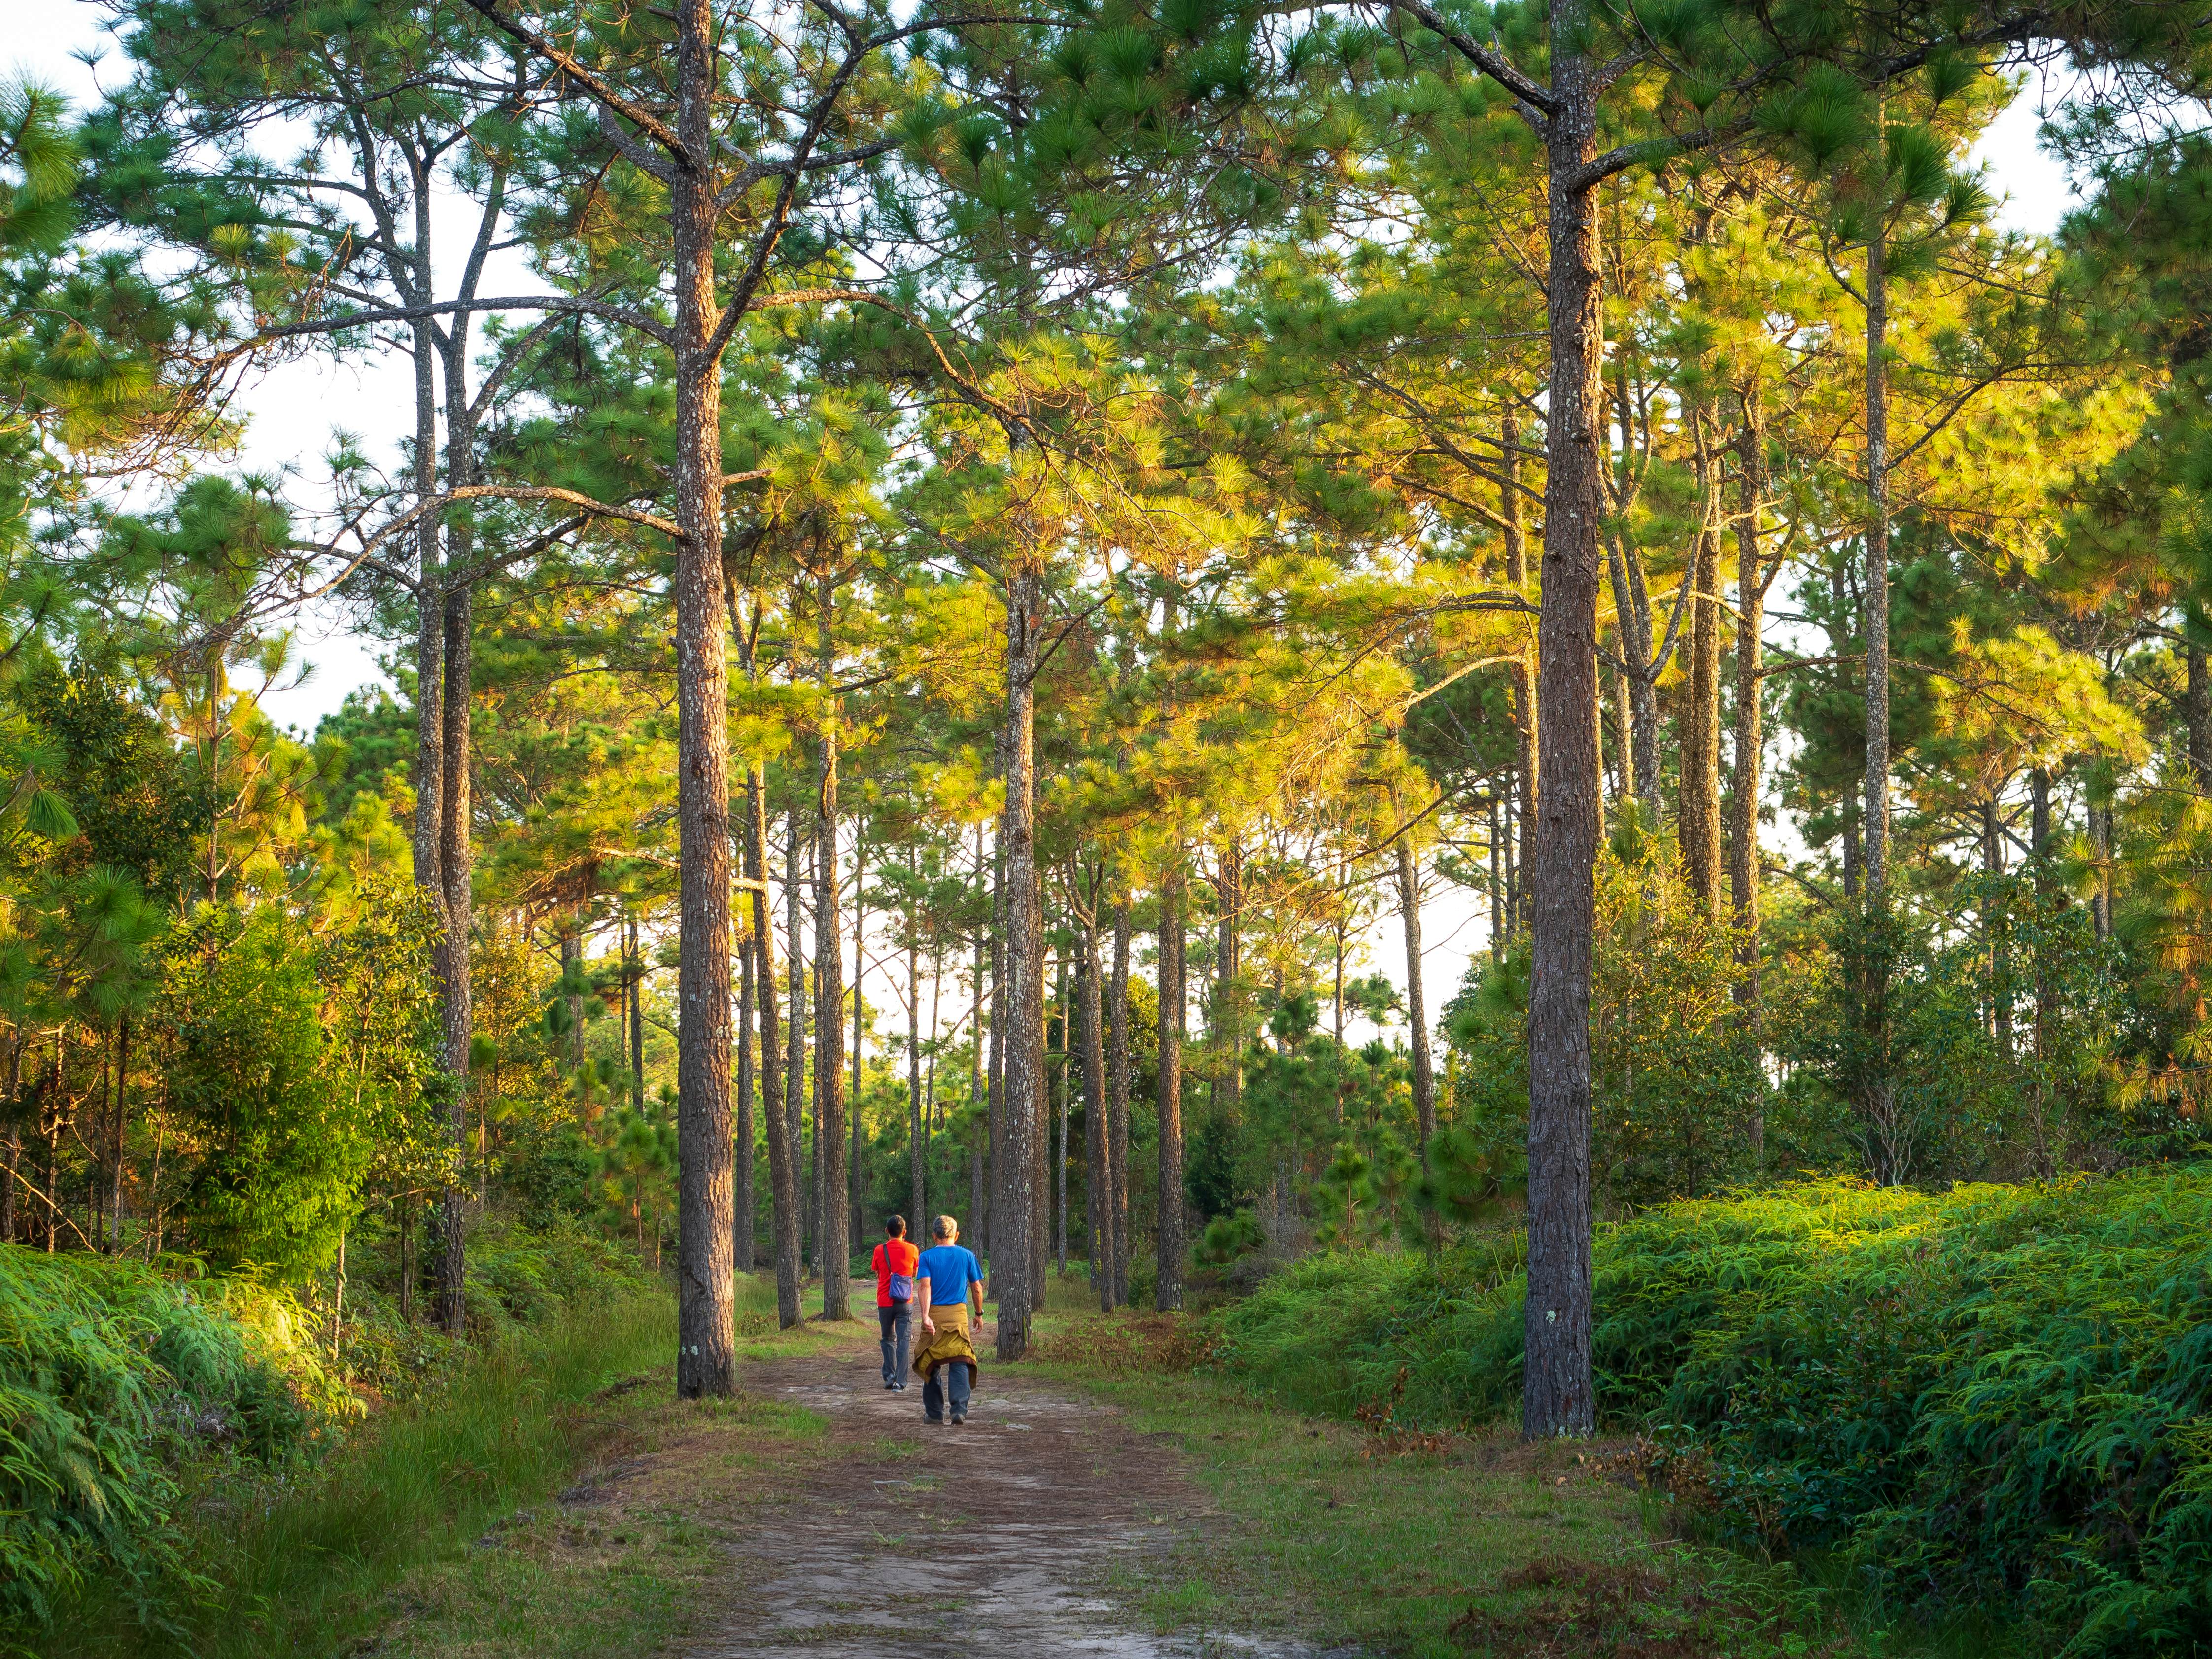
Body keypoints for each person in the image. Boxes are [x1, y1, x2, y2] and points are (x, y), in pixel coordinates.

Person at [911, 1214, 985, 1425]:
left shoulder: (926, 1257)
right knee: (960, 1358)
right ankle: (958, 1410)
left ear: (934, 1236)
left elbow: (925, 1286)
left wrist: (925, 1316)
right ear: (956, 1235)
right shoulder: (967, 1256)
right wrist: (979, 1314)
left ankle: (934, 1414)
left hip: (934, 1315)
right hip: (958, 1316)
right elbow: (977, 1288)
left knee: (930, 1362)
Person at [871, 1215, 920, 1391]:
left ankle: (889, 1376)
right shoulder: (913, 1250)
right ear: (905, 1232)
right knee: (904, 1340)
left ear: (887, 1231)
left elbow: (876, 1270)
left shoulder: (879, 1250)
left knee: (887, 1338)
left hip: (884, 1300)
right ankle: (901, 1381)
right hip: (905, 1300)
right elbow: (915, 1272)